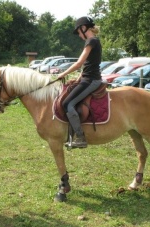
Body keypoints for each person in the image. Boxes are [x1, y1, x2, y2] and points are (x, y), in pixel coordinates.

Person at [57, 16, 102, 149]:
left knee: (67, 103)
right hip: (87, 78)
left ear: (83, 28)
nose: (79, 35)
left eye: (78, 32)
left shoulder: (91, 41)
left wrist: (63, 74)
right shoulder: (92, 41)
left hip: (91, 80)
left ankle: (80, 137)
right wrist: (78, 78)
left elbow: (79, 63)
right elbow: (89, 64)